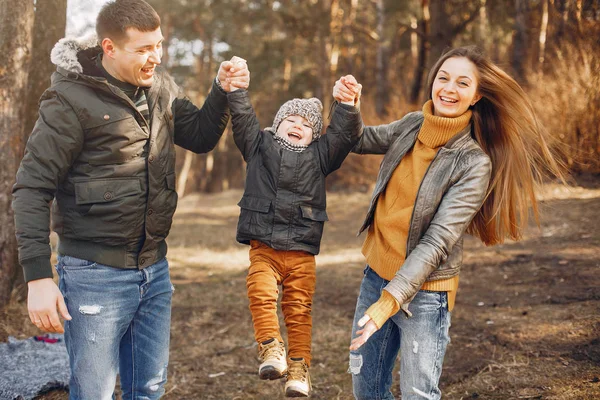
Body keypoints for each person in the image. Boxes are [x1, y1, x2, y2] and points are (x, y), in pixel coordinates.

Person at [11, 0, 249, 398]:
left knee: (149, 388)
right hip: (93, 275)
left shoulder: (160, 86)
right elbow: (32, 187)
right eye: (143, 49)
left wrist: (221, 91)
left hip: (155, 270)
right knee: (94, 393)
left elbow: (200, 135)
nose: (155, 57)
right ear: (109, 48)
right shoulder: (69, 100)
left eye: (159, 45)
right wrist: (37, 277)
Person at [333, 46, 564, 399]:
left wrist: (390, 300)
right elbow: (360, 139)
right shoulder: (413, 124)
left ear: (477, 95)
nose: (449, 89)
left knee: (417, 394)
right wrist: (348, 106)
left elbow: (437, 241)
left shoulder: (474, 163)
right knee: (367, 389)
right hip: (376, 276)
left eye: (462, 82)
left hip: (425, 295)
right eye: (443, 78)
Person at [227, 71, 363, 397]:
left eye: (306, 122)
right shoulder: (259, 145)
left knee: (299, 310)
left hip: (302, 252)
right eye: (291, 118)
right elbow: (244, 120)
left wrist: (345, 103)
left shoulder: (320, 155)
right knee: (260, 294)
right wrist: (237, 91)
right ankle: (272, 348)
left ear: (315, 135)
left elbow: (343, 135)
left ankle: (299, 369)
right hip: (265, 248)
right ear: (277, 124)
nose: (298, 124)